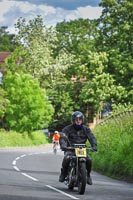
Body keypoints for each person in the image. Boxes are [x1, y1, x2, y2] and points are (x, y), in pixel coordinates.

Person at [59, 111, 97, 185]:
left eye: (80, 119)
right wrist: (63, 145)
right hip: (71, 149)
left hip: (82, 149)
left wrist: (94, 146)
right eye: (76, 119)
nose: (78, 121)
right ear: (73, 120)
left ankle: (88, 175)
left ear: (82, 120)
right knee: (67, 158)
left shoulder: (86, 129)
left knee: (89, 159)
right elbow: (62, 137)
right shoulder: (67, 129)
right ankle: (63, 173)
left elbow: (92, 137)